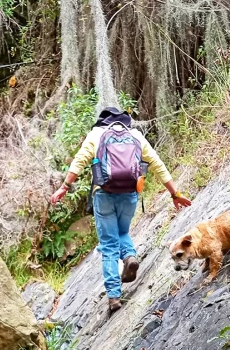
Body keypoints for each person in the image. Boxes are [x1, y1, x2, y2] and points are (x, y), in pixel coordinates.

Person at [50, 107, 191, 313]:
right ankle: (130, 257)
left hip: (104, 195)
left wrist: (64, 187)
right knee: (122, 232)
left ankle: (114, 296)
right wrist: (175, 194)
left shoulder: (97, 134)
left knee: (108, 245)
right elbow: (157, 164)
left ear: (103, 121)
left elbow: (80, 161)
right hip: (129, 195)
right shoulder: (135, 135)